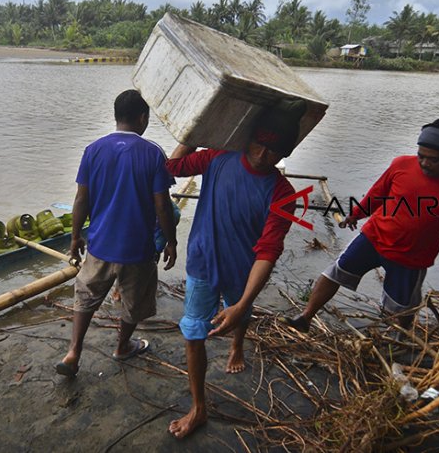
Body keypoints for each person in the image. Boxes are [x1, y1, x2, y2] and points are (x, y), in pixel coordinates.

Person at [286, 118, 439, 333]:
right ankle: (305, 317)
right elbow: (377, 195)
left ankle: (400, 338)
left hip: (411, 256)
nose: (425, 163)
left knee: (402, 307)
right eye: (421, 156)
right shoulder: (401, 165)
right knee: (334, 273)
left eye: (434, 159)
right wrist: (356, 215)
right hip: (374, 238)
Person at [166, 100, 304, 438]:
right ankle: (198, 407)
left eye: (274, 150)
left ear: (284, 153)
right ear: (247, 137)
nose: (262, 154)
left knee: (240, 314)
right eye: (259, 143)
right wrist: (198, 128)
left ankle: (238, 343)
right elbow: (173, 167)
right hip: (202, 262)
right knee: (193, 332)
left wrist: (242, 304)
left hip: (244, 272)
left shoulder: (284, 194)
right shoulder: (217, 157)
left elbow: (268, 251)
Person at [55, 89, 177, 378]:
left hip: (100, 243)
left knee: (86, 296)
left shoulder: (93, 150)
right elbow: (162, 205)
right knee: (134, 303)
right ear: (143, 118)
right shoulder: (153, 153)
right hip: (138, 248)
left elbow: (81, 199)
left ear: (116, 116)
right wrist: (171, 241)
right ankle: (122, 347)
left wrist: (75, 237)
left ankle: (74, 351)